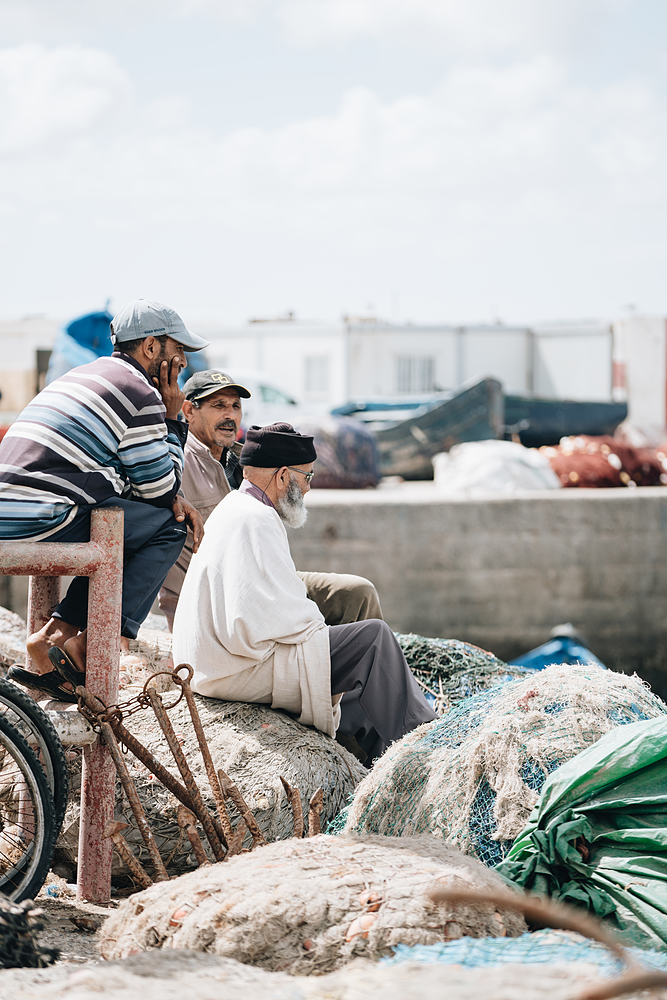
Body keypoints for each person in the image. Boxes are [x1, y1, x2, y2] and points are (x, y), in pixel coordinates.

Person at [172, 423, 435, 764]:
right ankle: (429, 749)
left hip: (212, 663)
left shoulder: (236, 506)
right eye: (307, 478)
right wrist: (321, 631)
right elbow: (267, 617)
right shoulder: (257, 519)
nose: (308, 489)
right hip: (229, 670)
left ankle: (367, 751)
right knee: (373, 639)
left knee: (352, 640)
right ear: (282, 476)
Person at [0, 299, 206, 701]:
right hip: (42, 516)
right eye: (177, 348)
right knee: (169, 527)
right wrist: (172, 417)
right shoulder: (140, 393)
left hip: (14, 511)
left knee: (130, 525)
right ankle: (91, 646)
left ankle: (54, 637)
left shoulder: (88, 374)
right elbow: (160, 489)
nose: (182, 360)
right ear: (150, 348)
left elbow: (136, 486)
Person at [158, 370, 383, 631]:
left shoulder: (243, 462)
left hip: (264, 581)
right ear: (189, 410)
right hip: (220, 600)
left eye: (235, 406)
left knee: (357, 592)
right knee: (346, 632)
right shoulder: (177, 464)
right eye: (218, 405)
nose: (230, 415)